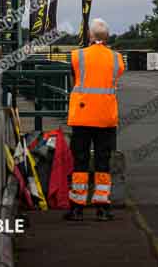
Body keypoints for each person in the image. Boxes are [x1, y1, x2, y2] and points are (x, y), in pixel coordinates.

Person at [65, 18, 124, 222]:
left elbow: (75, 75)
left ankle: (77, 208)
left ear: (90, 36)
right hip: (106, 117)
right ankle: (103, 207)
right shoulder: (117, 59)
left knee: (80, 161)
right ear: (107, 37)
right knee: (102, 161)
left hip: (82, 117)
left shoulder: (77, 56)